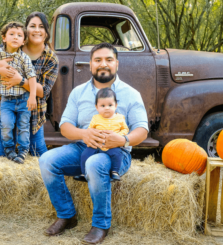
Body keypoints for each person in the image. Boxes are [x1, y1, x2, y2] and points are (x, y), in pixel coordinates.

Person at [39, 42, 148, 244]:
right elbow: (65, 126)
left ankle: (100, 224)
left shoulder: (131, 94)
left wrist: (123, 139)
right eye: (98, 60)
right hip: (84, 147)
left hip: (116, 152)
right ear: (90, 65)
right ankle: (66, 215)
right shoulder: (78, 92)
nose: (103, 64)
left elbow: (142, 129)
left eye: (108, 60)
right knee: (46, 160)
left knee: (94, 163)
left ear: (117, 64)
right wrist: (83, 134)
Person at [0, 12, 58, 158]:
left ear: (46, 33)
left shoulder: (51, 59)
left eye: (41, 26)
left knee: (37, 150)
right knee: (5, 150)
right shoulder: (13, 45)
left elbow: (43, 91)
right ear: (26, 30)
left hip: (33, 108)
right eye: (32, 26)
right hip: (6, 103)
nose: (36, 30)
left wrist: (20, 80)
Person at [0, 21, 37, 164]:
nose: (15, 37)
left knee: (23, 127)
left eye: (19, 35)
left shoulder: (24, 57)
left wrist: (32, 97)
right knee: (6, 125)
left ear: (23, 41)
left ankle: (23, 151)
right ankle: (9, 150)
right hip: (6, 100)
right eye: (11, 34)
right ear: (4, 38)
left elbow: (32, 77)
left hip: (23, 98)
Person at [74, 87, 129, 182]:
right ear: (97, 107)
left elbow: (125, 129)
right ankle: (84, 173)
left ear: (116, 106)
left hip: (112, 145)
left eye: (110, 105)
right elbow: (90, 129)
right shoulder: (95, 118)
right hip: (97, 144)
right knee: (85, 154)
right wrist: (90, 136)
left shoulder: (120, 118)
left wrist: (119, 135)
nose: (107, 108)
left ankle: (115, 172)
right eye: (102, 106)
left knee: (117, 154)